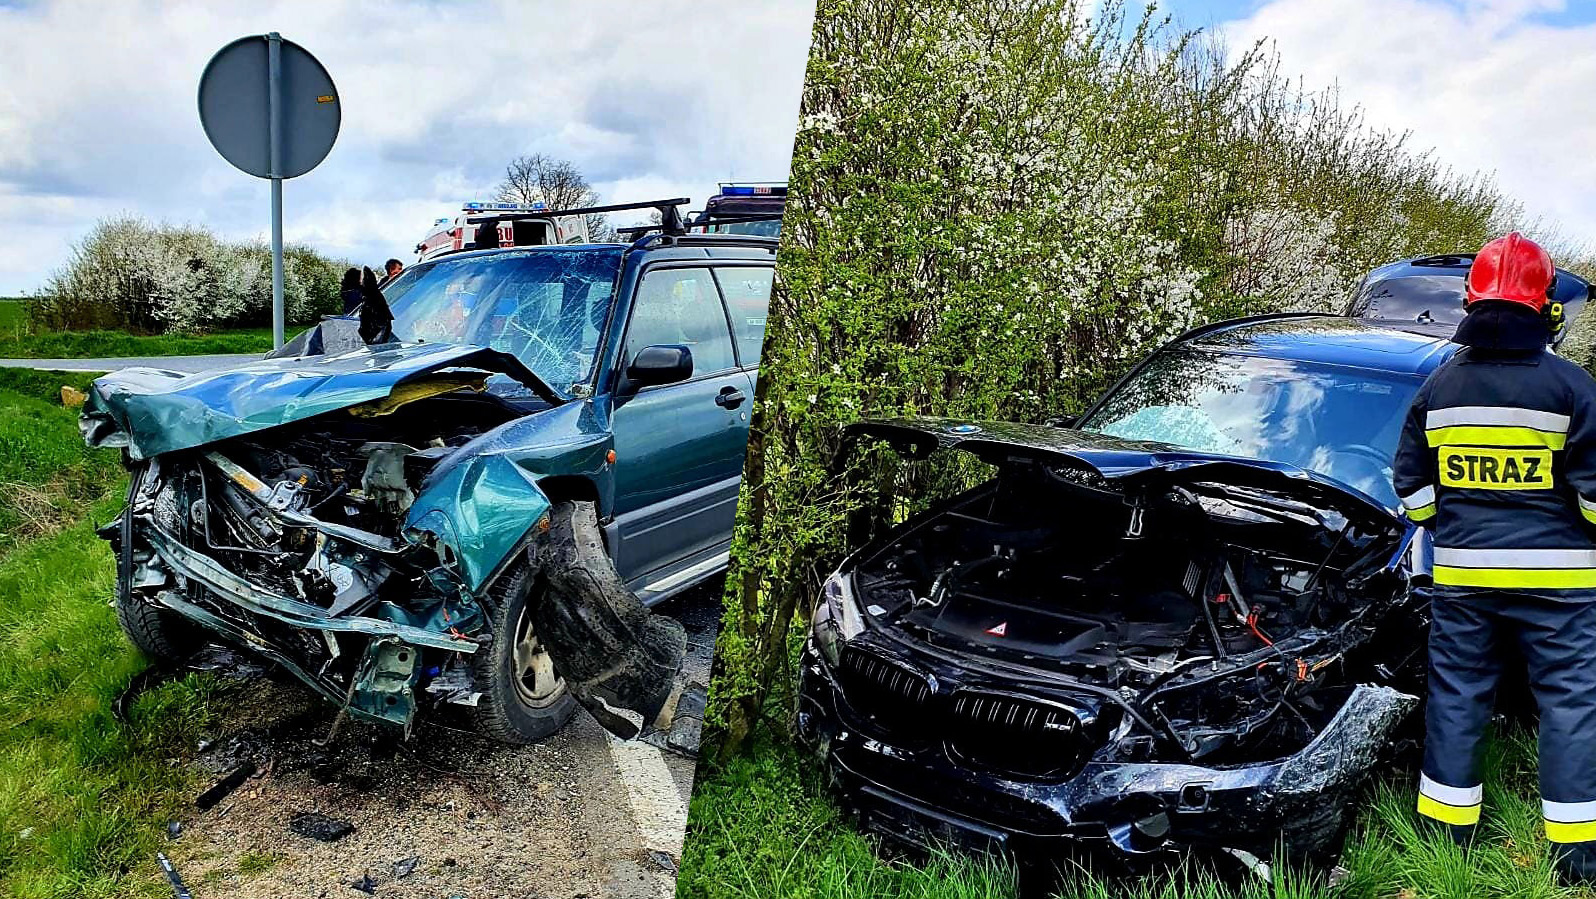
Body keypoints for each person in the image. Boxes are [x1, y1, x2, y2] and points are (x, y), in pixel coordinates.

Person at [1393, 232, 1596, 885]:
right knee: (1570, 702)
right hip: (1563, 585)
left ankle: (1447, 838)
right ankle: (1575, 856)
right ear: (1546, 308)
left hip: (1464, 578)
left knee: (1457, 696)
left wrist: (1448, 525)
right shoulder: (1574, 387)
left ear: (1471, 301)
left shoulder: (1441, 385)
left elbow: (1411, 486)